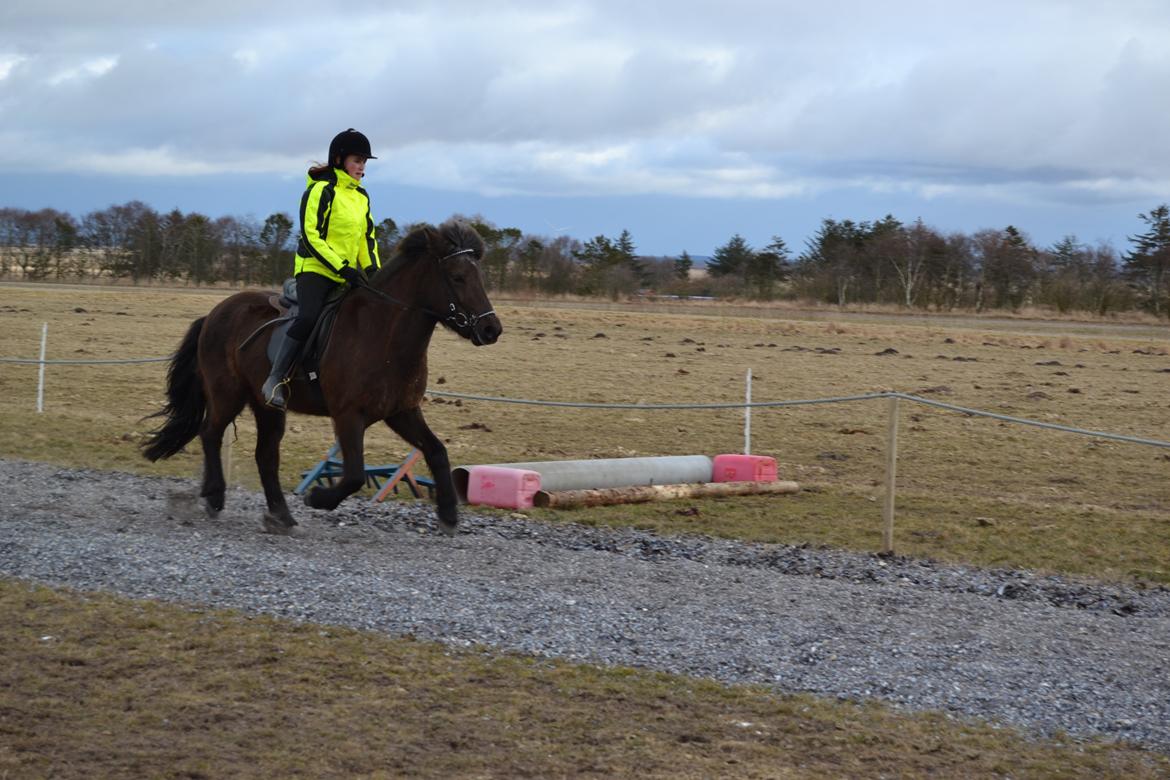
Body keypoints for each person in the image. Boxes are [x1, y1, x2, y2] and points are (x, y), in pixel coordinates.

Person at [262, 128, 381, 409]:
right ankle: (275, 378)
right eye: (357, 160)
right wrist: (343, 268)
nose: (362, 167)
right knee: (308, 318)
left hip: (347, 272)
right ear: (339, 160)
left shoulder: (361, 197)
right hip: (315, 269)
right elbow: (311, 235)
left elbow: (367, 238)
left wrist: (374, 271)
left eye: (365, 161)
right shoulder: (320, 190)